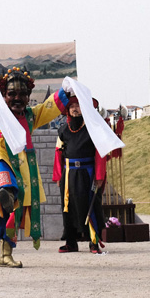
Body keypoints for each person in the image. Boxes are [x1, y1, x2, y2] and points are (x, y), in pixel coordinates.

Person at [0, 64, 69, 268]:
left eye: (22, 94)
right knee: (3, 177)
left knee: (13, 210)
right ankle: (5, 190)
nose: (17, 99)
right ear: (4, 95)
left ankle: (5, 254)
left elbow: (49, 108)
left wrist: (65, 91)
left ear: (28, 97)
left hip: (23, 163)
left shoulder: (31, 116)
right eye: (12, 94)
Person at [53, 96, 107, 254]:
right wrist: (58, 176)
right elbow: (58, 153)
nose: (75, 108)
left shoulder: (94, 128)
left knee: (90, 206)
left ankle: (93, 242)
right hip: (69, 174)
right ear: (68, 110)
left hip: (88, 172)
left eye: (78, 105)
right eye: (72, 106)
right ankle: (71, 242)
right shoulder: (63, 129)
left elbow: (100, 153)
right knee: (68, 207)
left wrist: (99, 176)